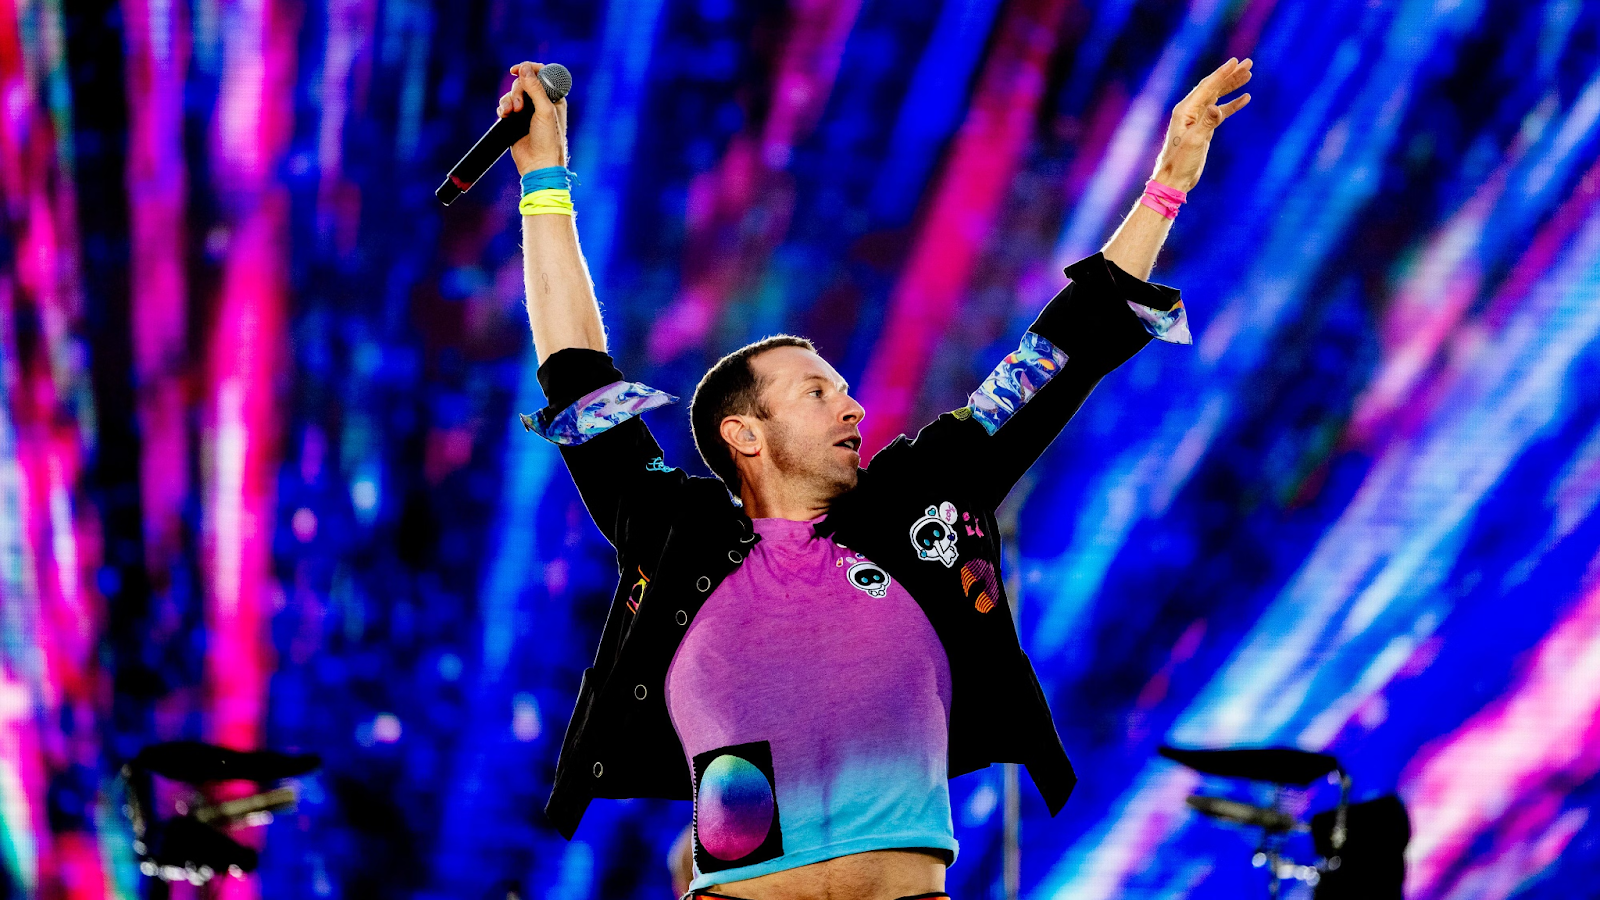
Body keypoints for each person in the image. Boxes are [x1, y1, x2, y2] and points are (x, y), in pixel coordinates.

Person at [497, 55, 1252, 900]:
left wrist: (1166, 187)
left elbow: (1058, 356)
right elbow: (577, 372)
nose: (853, 408)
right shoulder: (678, 534)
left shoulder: (917, 501)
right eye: (818, 393)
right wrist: (543, 179)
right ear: (744, 434)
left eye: (846, 391)